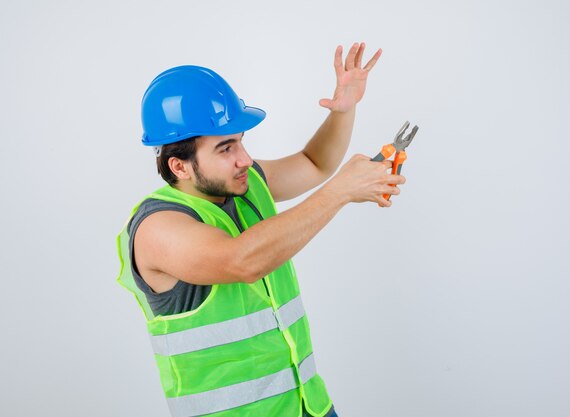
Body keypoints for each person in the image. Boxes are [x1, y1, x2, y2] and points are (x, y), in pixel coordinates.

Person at [116, 42, 405, 417]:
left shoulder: (245, 183)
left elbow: (314, 163)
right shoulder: (157, 227)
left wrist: (344, 110)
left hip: (308, 405)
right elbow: (241, 260)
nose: (245, 159)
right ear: (179, 166)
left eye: (240, 142)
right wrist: (340, 193)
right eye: (225, 148)